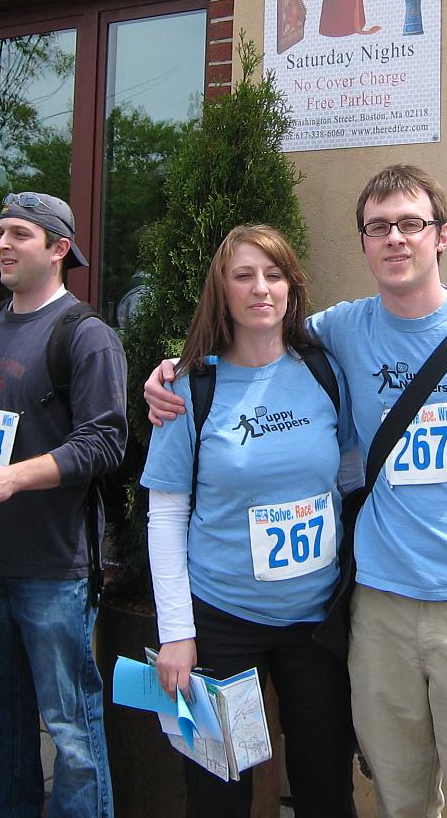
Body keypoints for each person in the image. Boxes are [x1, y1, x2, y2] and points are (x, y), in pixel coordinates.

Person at [147, 164, 447, 818]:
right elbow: (258, 350)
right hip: (356, 608)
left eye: (411, 224)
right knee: (385, 792)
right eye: (380, 227)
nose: (396, 239)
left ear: (443, 236)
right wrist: (173, 371)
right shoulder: (331, 338)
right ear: (364, 243)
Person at [142, 225, 357, 818]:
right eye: (244, 275)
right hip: (221, 623)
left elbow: (349, 474)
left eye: (274, 274)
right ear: (223, 291)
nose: (260, 288)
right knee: (217, 792)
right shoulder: (190, 386)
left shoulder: (324, 372)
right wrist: (176, 632)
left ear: (292, 287)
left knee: (325, 787)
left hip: (315, 624)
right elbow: (165, 516)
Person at [0, 191, 127, 818]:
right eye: (0, 232)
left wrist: (14, 480)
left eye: (20, 234)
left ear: (58, 248)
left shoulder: (87, 334)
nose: (2, 244)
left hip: (54, 568)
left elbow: (105, 443)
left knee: (70, 725)